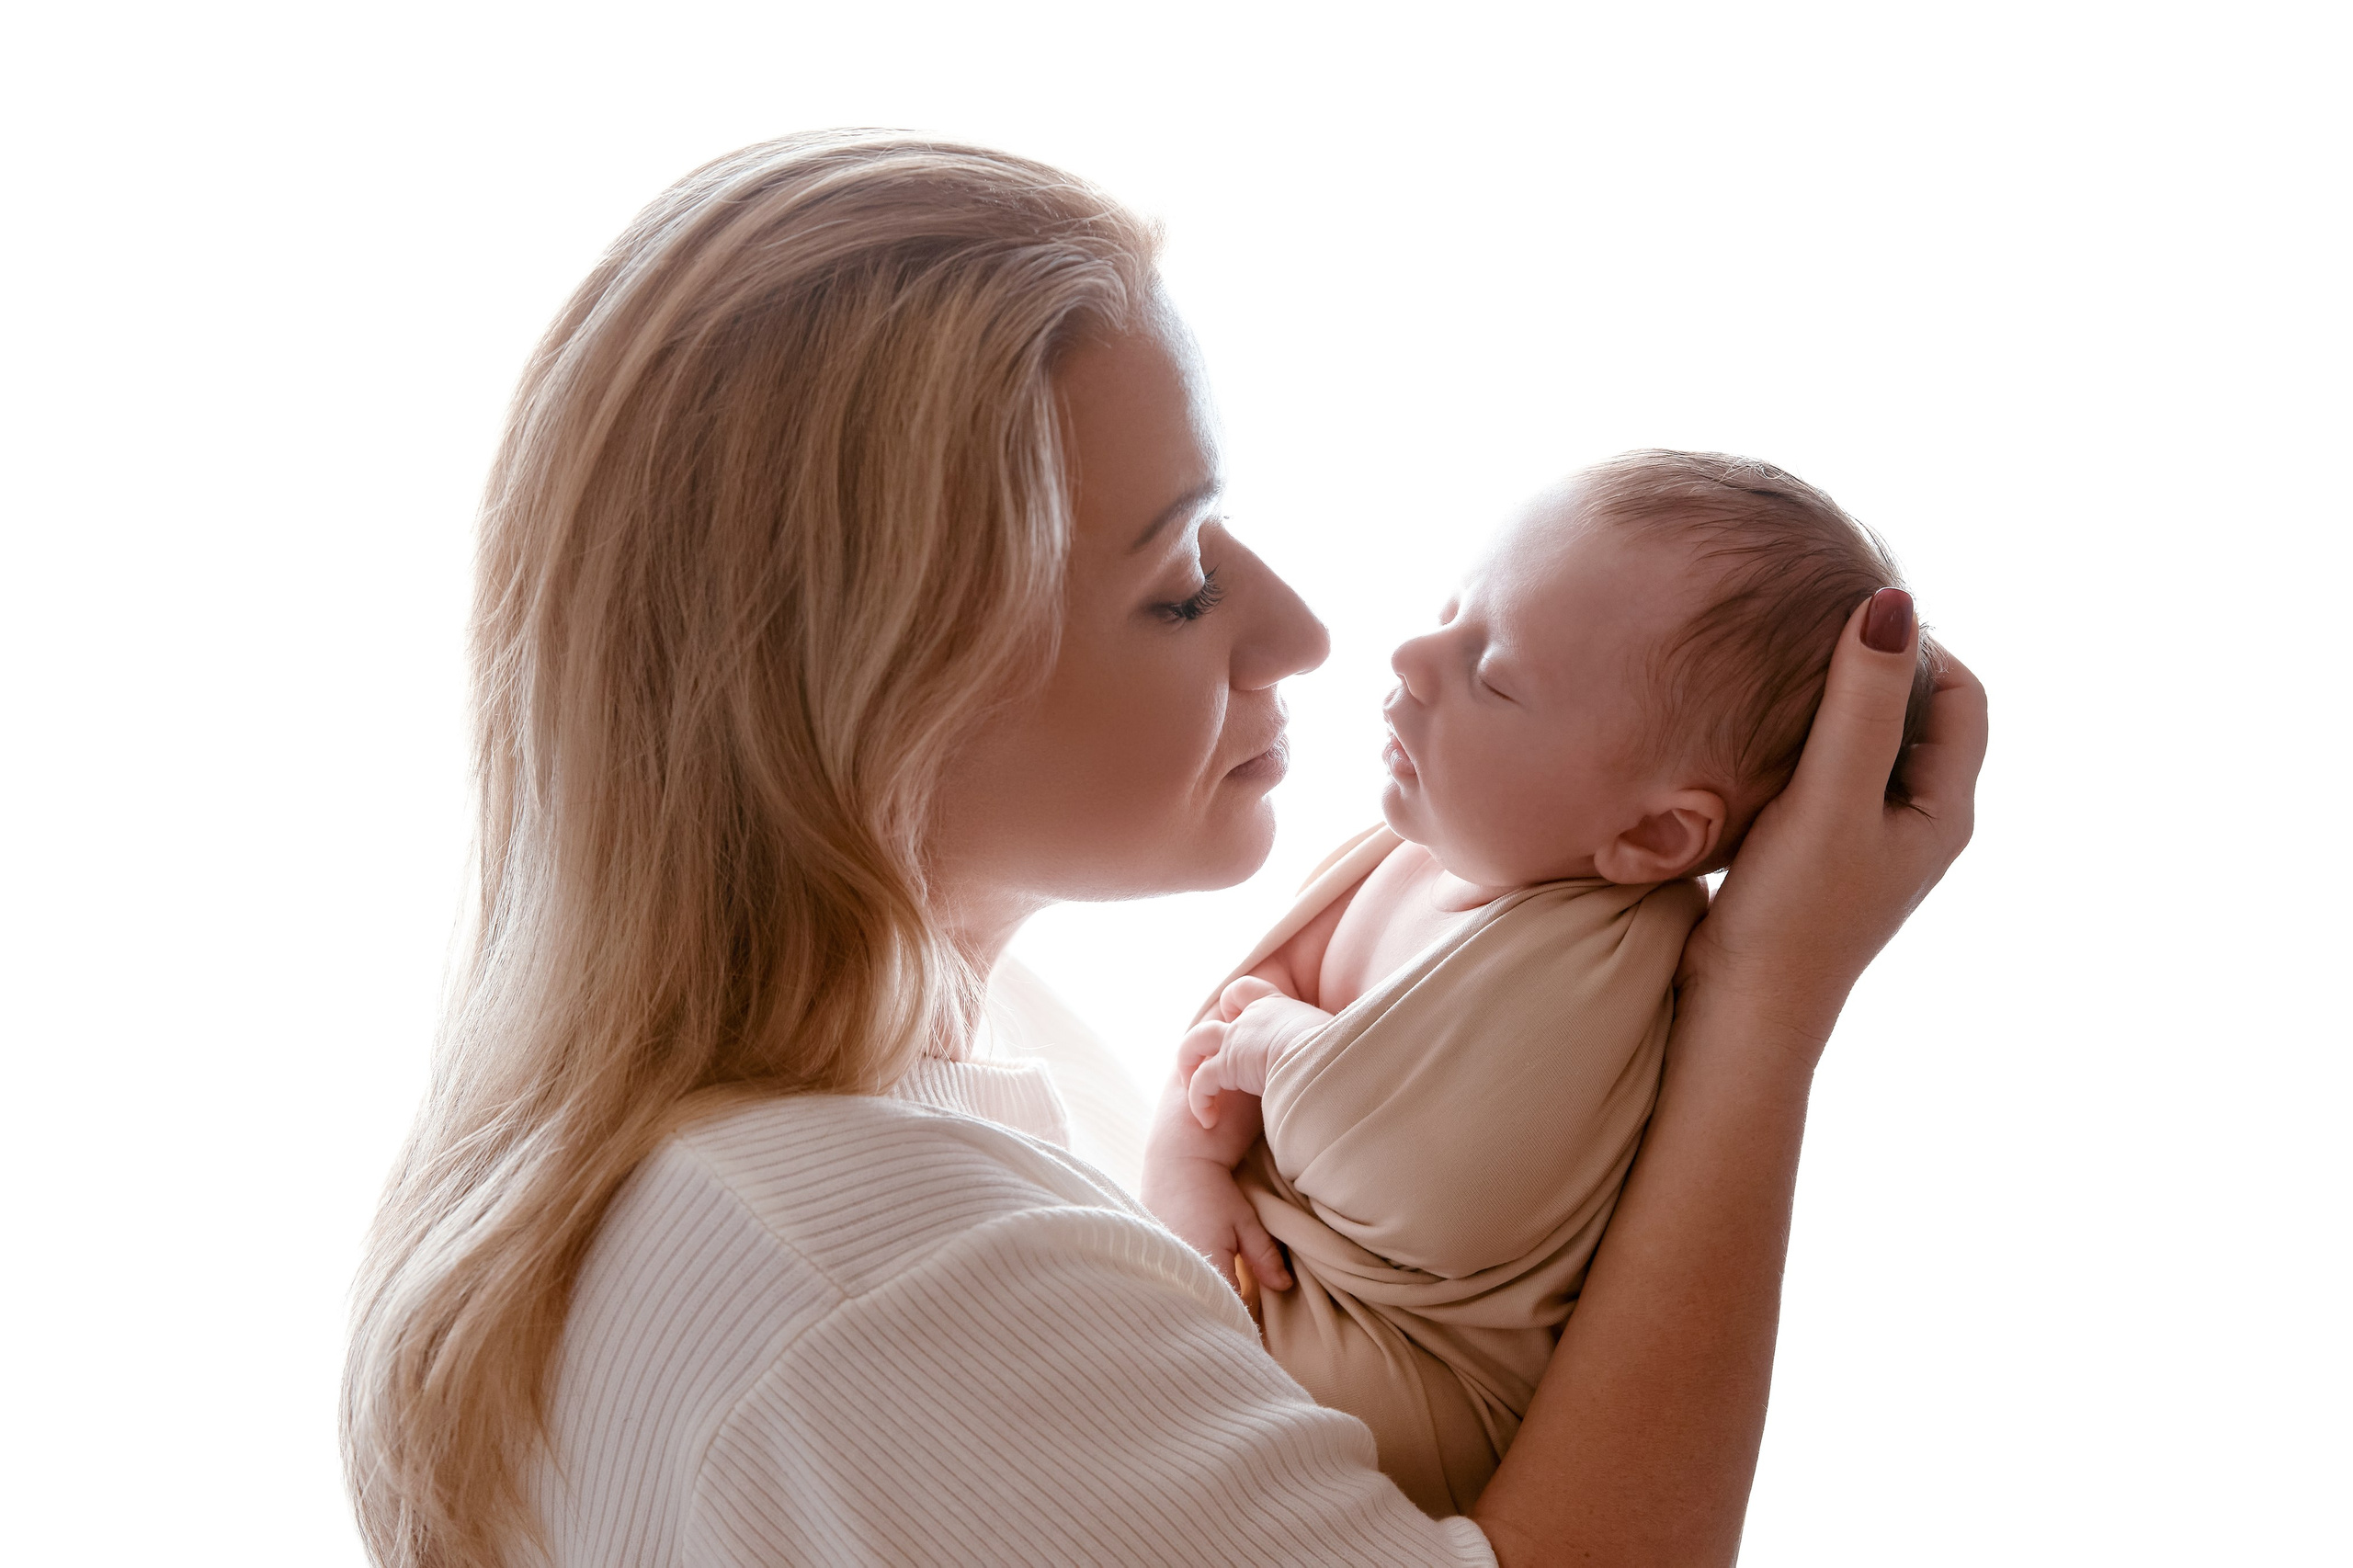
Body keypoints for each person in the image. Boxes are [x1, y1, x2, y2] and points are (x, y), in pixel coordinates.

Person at [341, 131, 1987, 1568]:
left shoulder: (922, 1103)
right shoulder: (881, 1277)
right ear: (884, 690)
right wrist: (1762, 1005)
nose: (1306, 630)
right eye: (1180, 581)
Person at [1146, 451, 1940, 1517]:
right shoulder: (1419, 844)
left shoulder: (1605, 955)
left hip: (1409, 1390)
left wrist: (1276, 1044)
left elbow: (1418, 1182)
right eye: (1450, 613)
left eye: (1492, 673)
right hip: (1273, 1284)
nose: (1411, 655)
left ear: (1655, 833)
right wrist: (1189, 1153)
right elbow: (1237, 1003)